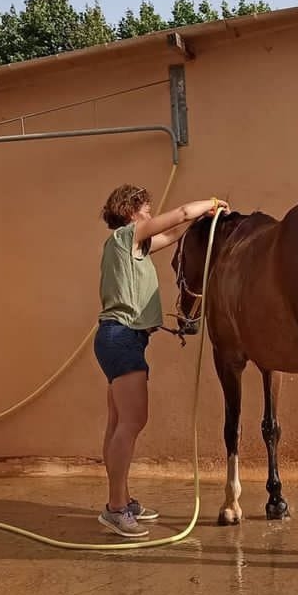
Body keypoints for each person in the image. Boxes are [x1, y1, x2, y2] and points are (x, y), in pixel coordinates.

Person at [94, 184, 229, 538]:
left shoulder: (129, 246)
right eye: (147, 210)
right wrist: (214, 201)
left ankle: (120, 499)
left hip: (119, 338)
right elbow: (182, 213)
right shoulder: (127, 235)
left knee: (117, 424)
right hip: (122, 338)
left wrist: (202, 220)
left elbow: (172, 231)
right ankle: (115, 508)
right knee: (133, 422)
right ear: (130, 211)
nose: (151, 216)